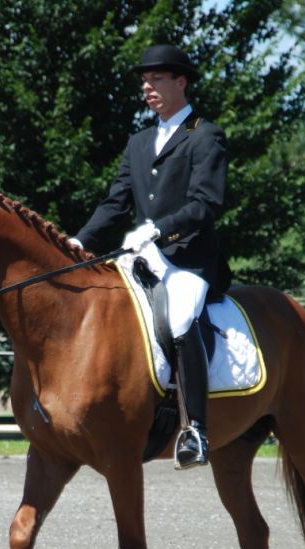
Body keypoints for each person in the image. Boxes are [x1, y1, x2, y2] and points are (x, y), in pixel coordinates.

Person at [70, 44, 228, 469]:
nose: (147, 87)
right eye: (144, 80)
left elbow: (206, 203)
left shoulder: (205, 135)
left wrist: (161, 229)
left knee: (180, 319)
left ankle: (195, 430)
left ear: (181, 81)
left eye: (157, 78)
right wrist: (79, 240)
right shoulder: (139, 142)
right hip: (142, 256)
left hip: (188, 258)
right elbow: (116, 202)